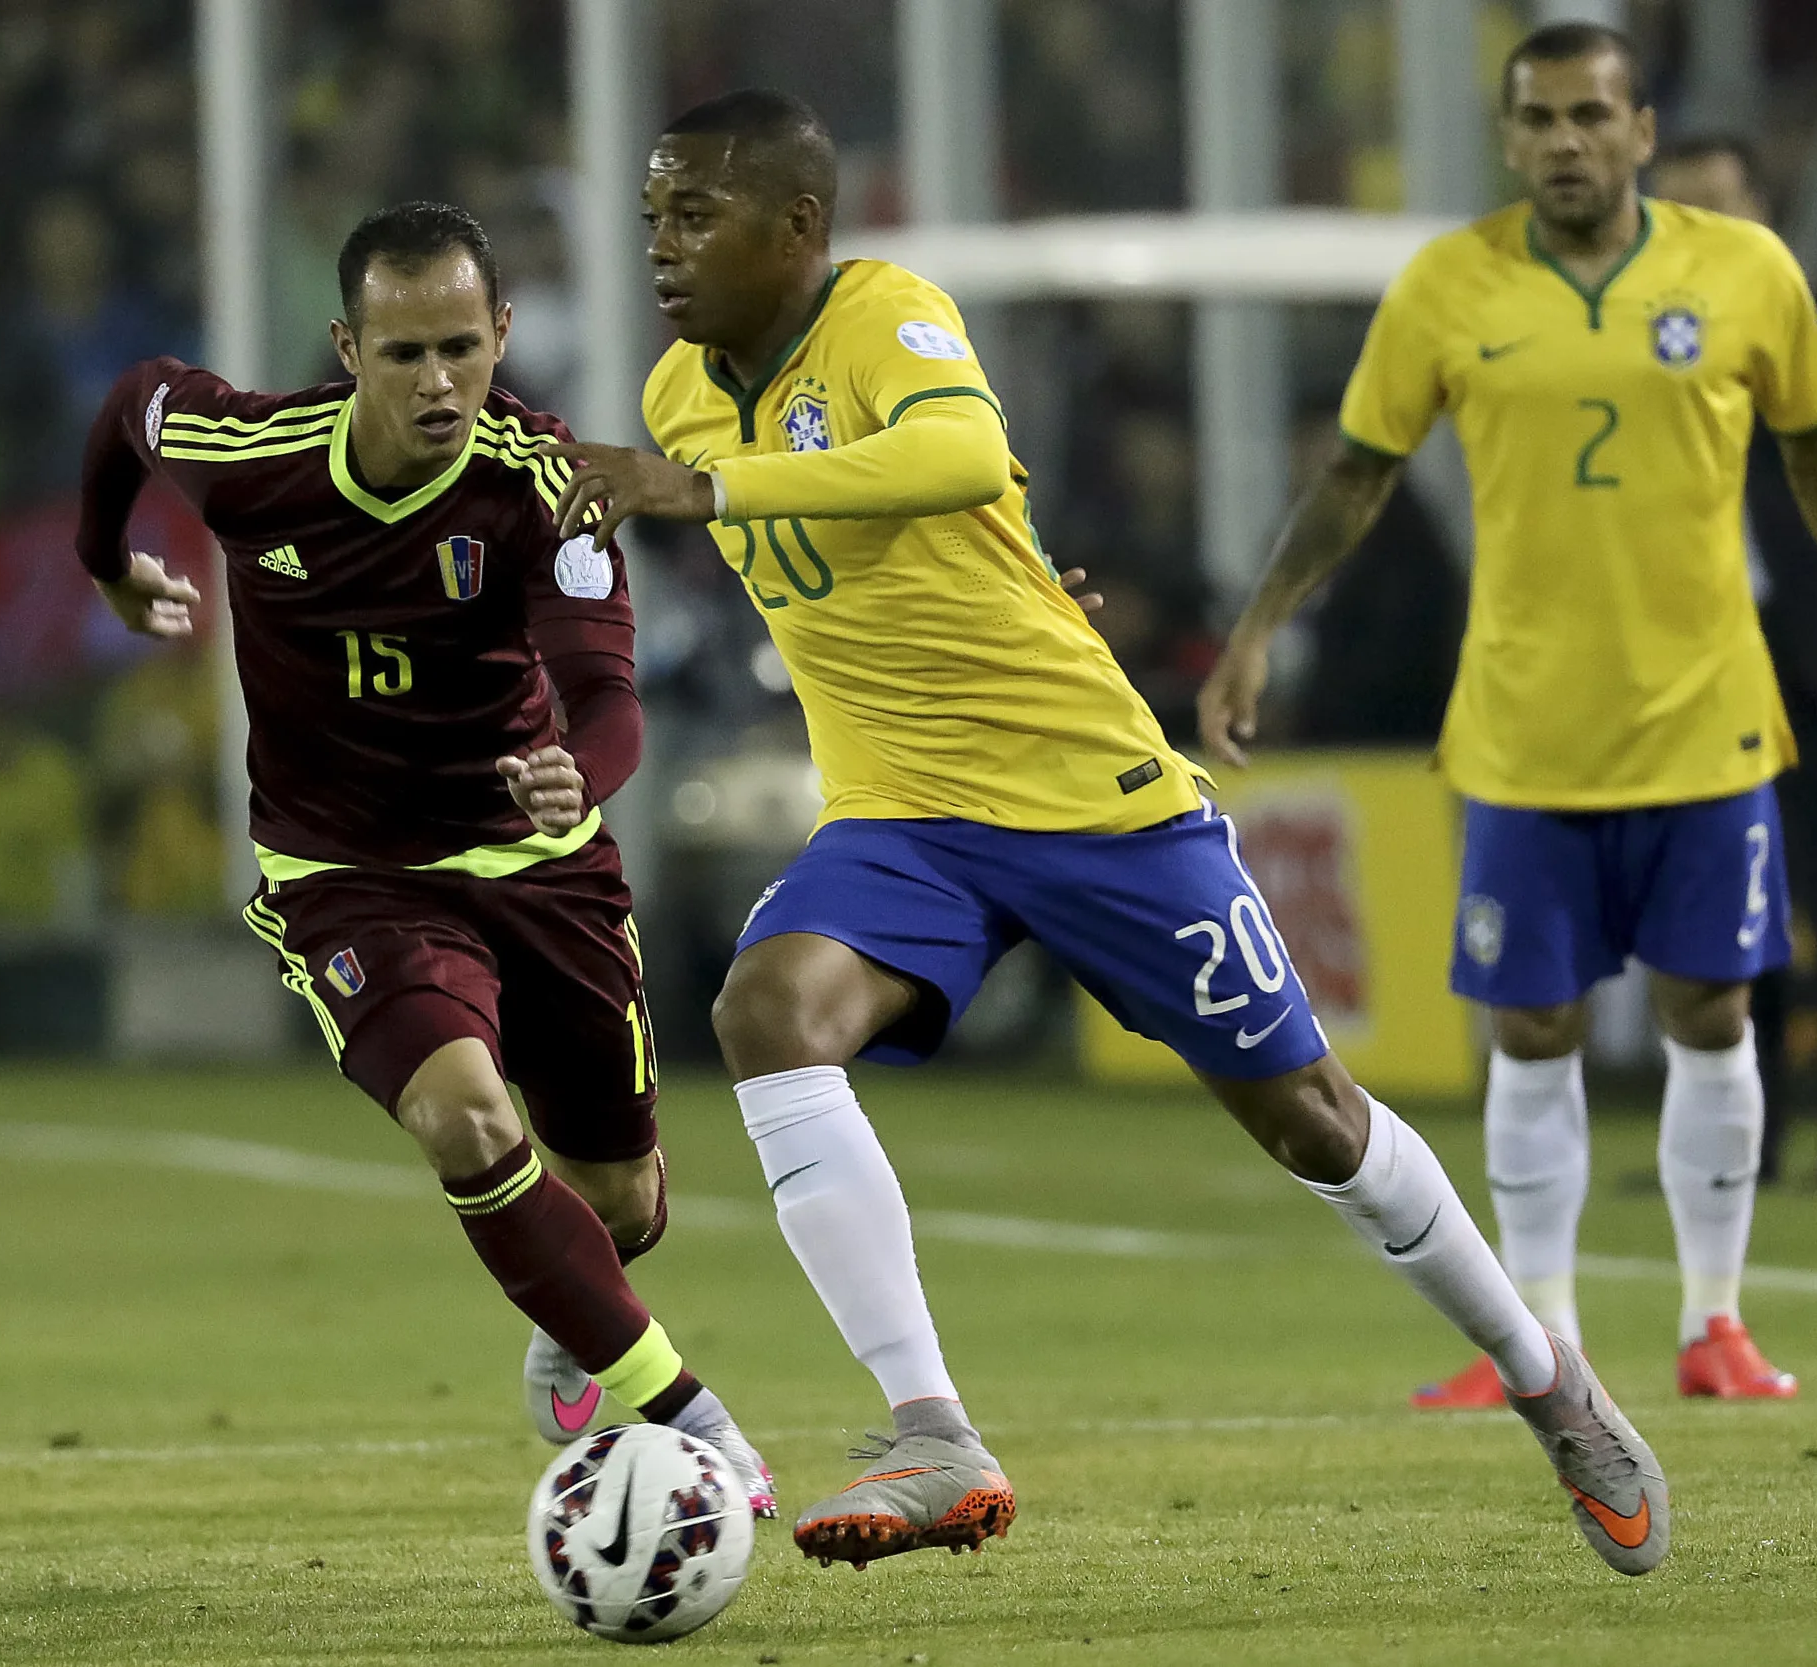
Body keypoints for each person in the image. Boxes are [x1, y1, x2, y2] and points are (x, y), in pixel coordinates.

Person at [547, 88, 1671, 1579]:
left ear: (799, 227)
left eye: (696, 213)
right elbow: (902, 541)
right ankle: (932, 1426)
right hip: (905, 817)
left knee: (1316, 1124)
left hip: (1092, 798)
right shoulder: (685, 389)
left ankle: (1553, 1385)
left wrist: (711, 490)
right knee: (766, 1010)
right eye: (652, 218)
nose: (665, 247)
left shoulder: (886, 315)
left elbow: (951, 457)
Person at [1201, 24, 1817, 1408]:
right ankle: (1538, 1333)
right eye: (1540, 119)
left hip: (1707, 718)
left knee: (1712, 1007)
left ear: (1642, 131)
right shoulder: (1448, 285)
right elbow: (1357, 478)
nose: (1566, 140)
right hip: (1523, 726)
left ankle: (1715, 1319)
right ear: (1509, 139)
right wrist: (1257, 630)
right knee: (1533, 1025)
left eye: (1591, 116)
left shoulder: (1743, 272)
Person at [73, 200, 774, 1512]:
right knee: (466, 1119)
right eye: (403, 354)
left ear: (502, 331)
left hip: (536, 854)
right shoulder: (253, 455)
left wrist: (589, 769)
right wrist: (103, 557)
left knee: (625, 1205)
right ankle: (692, 1417)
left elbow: (606, 695)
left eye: (462, 345)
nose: (439, 381)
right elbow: (129, 406)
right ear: (347, 347)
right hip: (348, 869)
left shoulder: (544, 479)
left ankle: (576, 1302)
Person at [1649, 135, 1817, 1188]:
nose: (1704, 231)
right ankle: (1738, 1140)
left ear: (1765, 206)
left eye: (1722, 205)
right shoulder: (1639, 345)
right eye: (1683, 211)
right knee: (1720, 901)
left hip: (1814, 659)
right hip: (1698, 661)